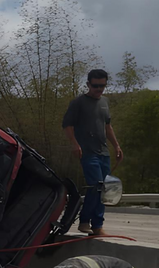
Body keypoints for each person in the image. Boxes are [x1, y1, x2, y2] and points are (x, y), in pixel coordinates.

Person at [62, 69, 123, 236]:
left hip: (103, 152)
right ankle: (84, 221)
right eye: (95, 86)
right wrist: (75, 144)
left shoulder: (105, 102)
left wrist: (116, 146)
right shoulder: (78, 103)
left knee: (107, 188)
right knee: (96, 185)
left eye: (102, 86)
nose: (99, 89)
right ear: (88, 84)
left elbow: (107, 126)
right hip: (87, 152)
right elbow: (67, 126)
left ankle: (97, 226)